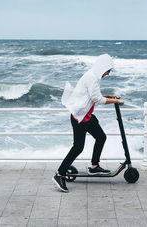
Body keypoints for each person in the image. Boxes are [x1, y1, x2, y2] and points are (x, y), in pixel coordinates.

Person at [52, 54, 124, 192]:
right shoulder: (92, 78)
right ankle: (59, 174)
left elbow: (92, 94)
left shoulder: (92, 76)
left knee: (101, 137)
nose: (108, 74)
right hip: (81, 118)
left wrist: (110, 96)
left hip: (87, 116)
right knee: (78, 147)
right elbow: (97, 99)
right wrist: (116, 101)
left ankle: (94, 167)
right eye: (108, 70)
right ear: (103, 67)